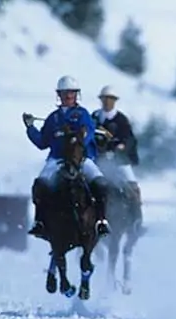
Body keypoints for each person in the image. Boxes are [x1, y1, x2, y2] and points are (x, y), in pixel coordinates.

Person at [23, 75, 111, 239]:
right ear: (59, 95)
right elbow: (42, 142)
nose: (68, 96)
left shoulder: (83, 114)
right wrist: (30, 128)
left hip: (81, 160)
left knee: (101, 184)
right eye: (65, 93)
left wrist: (76, 137)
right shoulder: (53, 118)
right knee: (40, 185)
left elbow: (88, 134)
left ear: (76, 95)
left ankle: (101, 221)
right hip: (56, 160)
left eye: (71, 93)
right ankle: (39, 222)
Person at [91, 85, 143, 230]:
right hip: (98, 161)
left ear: (115, 101)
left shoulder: (121, 120)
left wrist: (122, 147)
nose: (107, 102)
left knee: (132, 187)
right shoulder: (94, 117)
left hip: (119, 163)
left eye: (110, 99)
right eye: (104, 99)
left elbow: (129, 139)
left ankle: (136, 219)